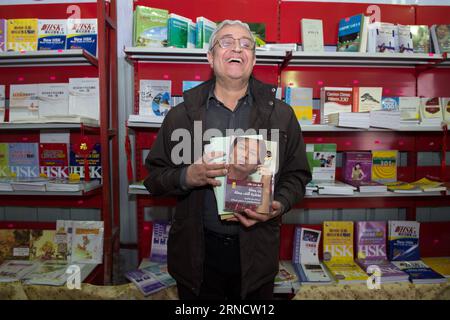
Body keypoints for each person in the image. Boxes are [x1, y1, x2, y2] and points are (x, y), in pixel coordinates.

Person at [144, 20, 311, 300]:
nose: (237, 48)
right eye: (226, 42)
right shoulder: (181, 115)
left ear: (254, 59)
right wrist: (188, 176)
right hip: (197, 255)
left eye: (246, 44)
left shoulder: (281, 115)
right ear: (210, 56)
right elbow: (153, 179)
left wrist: (278, 204)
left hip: (257, 254)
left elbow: (298, 176)